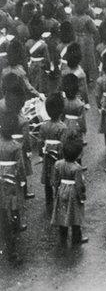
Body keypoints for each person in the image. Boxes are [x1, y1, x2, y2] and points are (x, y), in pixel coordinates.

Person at [51, 133, 87, 245]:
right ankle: (77, 238)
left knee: (62, 214)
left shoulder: (58, 164)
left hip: (61, 190)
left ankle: (63, 237)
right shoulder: (77, 168)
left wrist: (56, 191)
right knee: (76, 216)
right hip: (73, 193)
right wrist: (82, 196)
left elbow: (55, 180)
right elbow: (79, 185)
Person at [0, 112, 25, 264]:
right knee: (13, 208)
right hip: (11, 182)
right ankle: (12, 252)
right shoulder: (16, 146)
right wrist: (22, 180)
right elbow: (20, 167)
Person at [37, 93, 67, 205]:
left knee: (47, 177)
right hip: (59, 155)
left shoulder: (44, 126)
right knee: (58, 176)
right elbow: (64, 143)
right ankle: (58, 198)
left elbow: (40, 141)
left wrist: (41, 154)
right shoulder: (63, 127)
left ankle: (48, 200)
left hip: (47, 155)